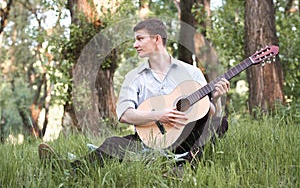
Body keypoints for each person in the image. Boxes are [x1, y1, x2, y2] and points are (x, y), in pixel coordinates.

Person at [38, 18, 230, 173]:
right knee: (112, 143)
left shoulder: (191, 72)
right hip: (150, 140)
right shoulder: (134, 77)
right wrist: (159, 115)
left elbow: (209, 113)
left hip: (184, 138)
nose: (135, 44)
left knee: (219, 123)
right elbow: (124, 115)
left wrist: (218, 98)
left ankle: (182, 168)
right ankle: (65, 168)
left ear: (156, 39)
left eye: (140, 39)